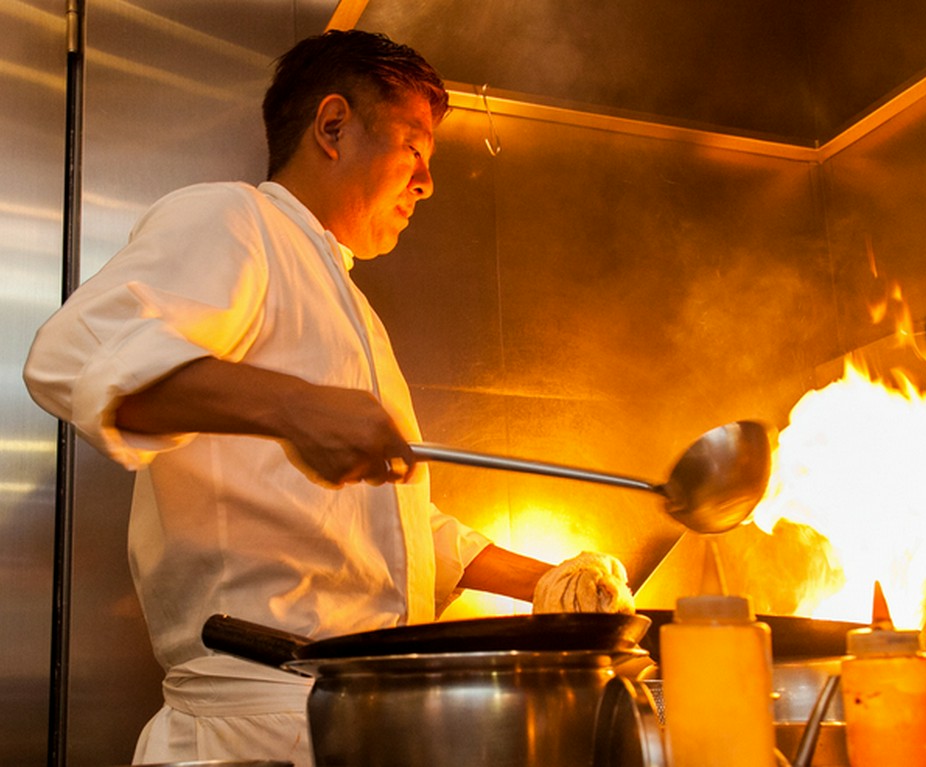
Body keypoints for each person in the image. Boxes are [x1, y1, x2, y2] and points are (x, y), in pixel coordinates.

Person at [23, 29, 633, 766]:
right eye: (414, 148)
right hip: (256, 729)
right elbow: (74, 354)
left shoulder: (348, 302)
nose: (427, 183)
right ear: (334, 126)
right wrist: (293, 407)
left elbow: (389, 524)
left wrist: (548, 584)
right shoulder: (235, 219)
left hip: (350, 716)